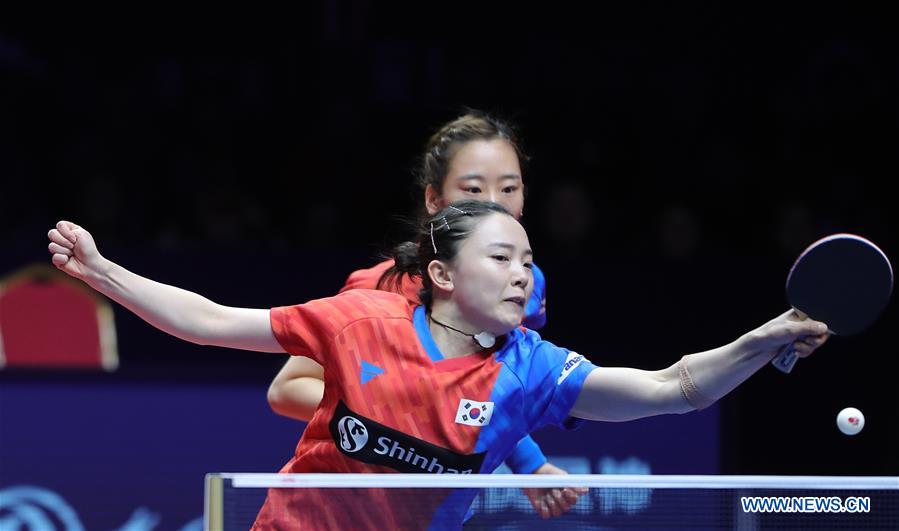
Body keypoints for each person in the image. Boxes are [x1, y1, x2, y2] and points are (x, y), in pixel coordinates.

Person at [46, 201, 829, 530]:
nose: (522, 274)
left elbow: (672, 388)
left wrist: (759, 340)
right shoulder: (360, 319)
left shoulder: (531, 369)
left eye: (528, 259)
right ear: (443, 274)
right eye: (501, 257)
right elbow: (212, 321)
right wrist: (103, 272)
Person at [264, 110, 574, 518]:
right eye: (473, 188)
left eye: (509, 188)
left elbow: (489, 397)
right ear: (434, 200)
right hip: (344, 509)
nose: (493, 204)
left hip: (430, 513)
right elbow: (287, 389)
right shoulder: (383, 286)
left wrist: (530, 464)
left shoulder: (524, 287)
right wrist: (400, 423)